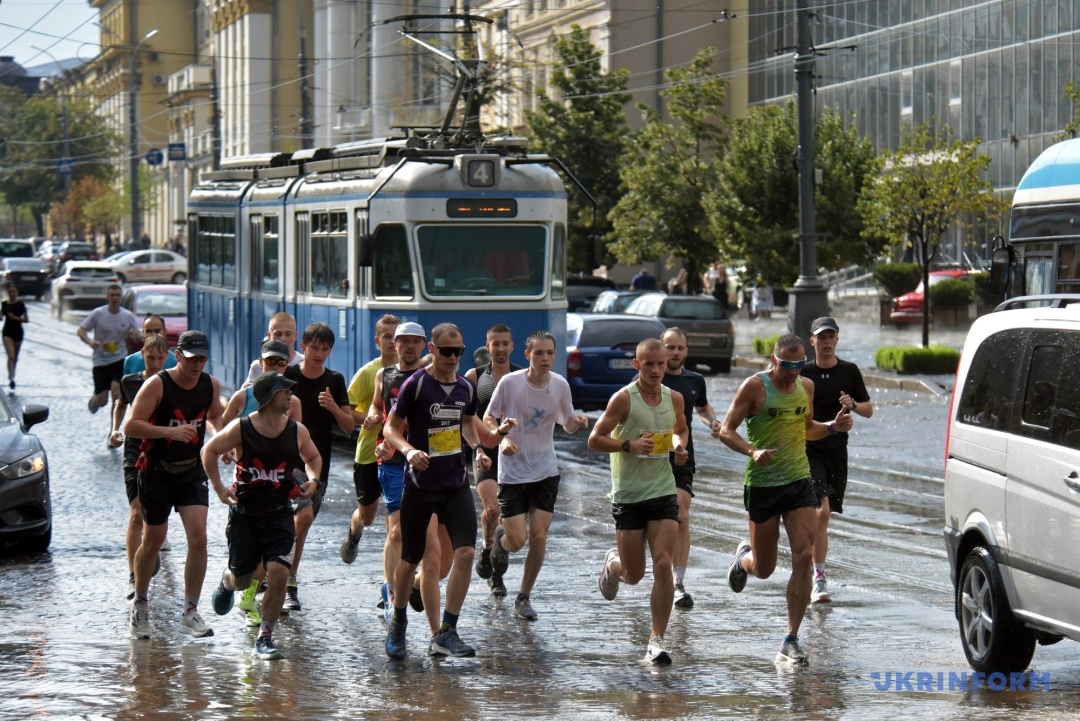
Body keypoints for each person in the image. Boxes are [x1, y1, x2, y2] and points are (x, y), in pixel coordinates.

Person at [381, 322, 515, 660]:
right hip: (420, 486)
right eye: (446, 351)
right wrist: (408, 451)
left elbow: (469, 424)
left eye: (458, 351)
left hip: (454, 485)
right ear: (432, 349)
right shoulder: (415, 385)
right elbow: (391, 428)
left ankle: (447, 631)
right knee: (410, 560)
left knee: (465, 553)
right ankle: (398, 621)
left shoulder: (465, 388)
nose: (453, 357)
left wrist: (482, 446)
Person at [717, 334, 853, 666]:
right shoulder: (754, 386)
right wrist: (752, 450)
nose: (793, 372)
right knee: (765, 569)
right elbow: (726, 430)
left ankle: (790, 639)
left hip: (798, 481)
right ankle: (744, 560)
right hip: (763, 484)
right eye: (787, 365)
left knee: (803, 555)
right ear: (773, 360)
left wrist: (832, 427)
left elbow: (806, 428)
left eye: (799, 365)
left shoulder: (806, 387)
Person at [202, 372, 322, 660]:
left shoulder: (297, 431)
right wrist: (218, 488)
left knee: (279, 572)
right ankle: (227, 581)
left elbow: (313, 458)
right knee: (243, 580)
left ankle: (265, 636)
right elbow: (209, 451)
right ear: (268, 396)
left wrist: (313, 479)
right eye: (284, 390)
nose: (290, 394)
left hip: (279, 513)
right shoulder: (242, 427)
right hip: (245, 514)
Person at [588, 338, 689, 665]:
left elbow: (680, 429)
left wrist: (679, 446)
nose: (656, 370)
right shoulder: (623, 399)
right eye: (649, 364)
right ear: (637, 365)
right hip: (629, 495)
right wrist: (628, 445)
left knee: (663, 563)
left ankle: (656, 640)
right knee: (634, 575)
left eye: (661, 364)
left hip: (663, 491)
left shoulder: (674, 398)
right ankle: (612, 566)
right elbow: (594, 439)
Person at [123, 330, 225, 640]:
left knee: (199, 537)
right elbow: (131, 425)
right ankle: (140, 603)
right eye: (192, 359)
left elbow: (215, 417)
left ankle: (190, 612)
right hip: (157, 470)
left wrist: (222, 441)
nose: (197, 365)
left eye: (202, 359)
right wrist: (169, 432)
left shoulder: (210, 384)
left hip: (191, 471)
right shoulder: (158, 384)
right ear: (178, 356)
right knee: (153, 541)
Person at [485, 330, 589, 621]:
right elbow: (489, 417)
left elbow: (566, 424)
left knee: (539, 536)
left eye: (550, 353)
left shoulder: (560, 385)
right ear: (527, 355)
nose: (545, 358)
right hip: (513, 472)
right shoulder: (510, 383)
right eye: (539, 353)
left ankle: (524, 597)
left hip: (545, 471)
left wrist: (577, 421)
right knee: (518, 540)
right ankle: (502, 543)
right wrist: (503, 439)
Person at [800, 317, 873, 604]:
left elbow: (868, 409)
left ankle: (809, 558)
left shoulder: (849, 370)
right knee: (822, 513)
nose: (827, 342)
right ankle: (819, 578)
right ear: (812, 341)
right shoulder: (803, 373)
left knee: (821, 517)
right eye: (822, 337)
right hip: (808, 449)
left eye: (831, 336)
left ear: (837, 340)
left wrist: (852, 404)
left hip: (837, 451)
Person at [282, 322, 353, 612]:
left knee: (301, 524)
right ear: (303, 347)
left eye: (325, 349)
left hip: (317, 463)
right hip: (287, 461)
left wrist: (333, 407)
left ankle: (284, 574)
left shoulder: (334, 380)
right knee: (302, 517)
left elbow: (348, 427)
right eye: (314, 347)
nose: (319, 353)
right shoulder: (288, 375)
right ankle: (286, 582)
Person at [656, 327, 722, 609]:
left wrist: (713, 422)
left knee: (681, 516)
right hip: (650, 458)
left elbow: (703, 407)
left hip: (683, 456)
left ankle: (678, 582)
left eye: (680, 348)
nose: (675, 353)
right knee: (653, 521)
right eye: (670, 347)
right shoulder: (650, 378)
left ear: (686, 351)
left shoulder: (695, 380)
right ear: (661, 348)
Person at [365, 321, 427, 618]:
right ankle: (391, 591)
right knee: (397, 530)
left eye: (416, 341)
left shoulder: (429, 375)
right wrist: (371, 417)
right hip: (391, 458)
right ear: (395, 344)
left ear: (424, 345)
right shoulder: (384, 375)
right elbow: (377, 406)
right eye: (404, 341)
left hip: (424, 459)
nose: (410, 346)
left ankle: (413, 581)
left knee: (427, 534)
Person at [109, 335, 169, 600]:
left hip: (163, 453)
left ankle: (149, 548)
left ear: (167, 357)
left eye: (160, 358)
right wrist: (115, 429)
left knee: (154, 515)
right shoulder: (129, 381)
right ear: (142, 353)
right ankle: (134, 576)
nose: (155, 363)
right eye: (150, 357)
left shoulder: (171, 383)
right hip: (135, 452)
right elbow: (121, 404)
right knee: (136, 514)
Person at [464, 324, 521, 597]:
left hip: (514, 453)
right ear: (487, 346)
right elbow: (466, 418)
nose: (500, 348)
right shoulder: (474, 376)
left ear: (512, 346)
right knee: (492, 510)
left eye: (505, 343)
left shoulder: (522, 376)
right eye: (495, 343)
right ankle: (488, 546)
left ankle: (496, 570)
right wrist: (478, 448)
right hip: (485, 452)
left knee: (507, 516)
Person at [340, 314, 400, 565]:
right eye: (387, 337)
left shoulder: (412, 372)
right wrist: (368, 417)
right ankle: (354, 532)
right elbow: (346, 409)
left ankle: (392, 576)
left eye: (396, 337)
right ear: (377, 341)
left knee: (396, 519)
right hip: (368, 453)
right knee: (367, 515)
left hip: (397, 455)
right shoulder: (368, 372)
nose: (392, 342)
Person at [77, 284, 141, 420]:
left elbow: (136, 334)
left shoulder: (127, 315)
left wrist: (137, 336)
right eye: (112, 295)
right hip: (100, 360)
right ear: (107, 296)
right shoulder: (98, 313)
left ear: (121, 297)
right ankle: (95, 399)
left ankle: (113, 428)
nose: (115, 298)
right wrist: (90, 342)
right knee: (102, 401)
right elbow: (81, 330)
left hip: (119, 358)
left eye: (117, 295)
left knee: (117, 394)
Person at [222, 340, 303, 426]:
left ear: (287, 365)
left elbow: (296, 433)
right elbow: (221, 427)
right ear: (260, 362)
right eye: (270, 361)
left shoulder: (293, 402)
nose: (275, 367)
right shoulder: (242, 397)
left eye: (281, 363)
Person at [244, 312, 304, 387]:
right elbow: (246, 392)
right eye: (278, 334)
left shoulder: (303, 364)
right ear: (269, 335)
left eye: (288, 334)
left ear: (295, 336)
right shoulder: (258, 367)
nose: (283, 339)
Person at [2, 283, 27, 391]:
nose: (12, 294)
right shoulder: (4, 304)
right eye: (10, 292)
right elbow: (1, 315)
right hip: (7, 332)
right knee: (11, 356)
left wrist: (15, 318)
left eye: (14, 292)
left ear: (17, 293)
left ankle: (13, 372)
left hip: (18, 332)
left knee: (15, 357)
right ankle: (11, 378)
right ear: (8, 293)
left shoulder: (20, 304)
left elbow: (26, 319)